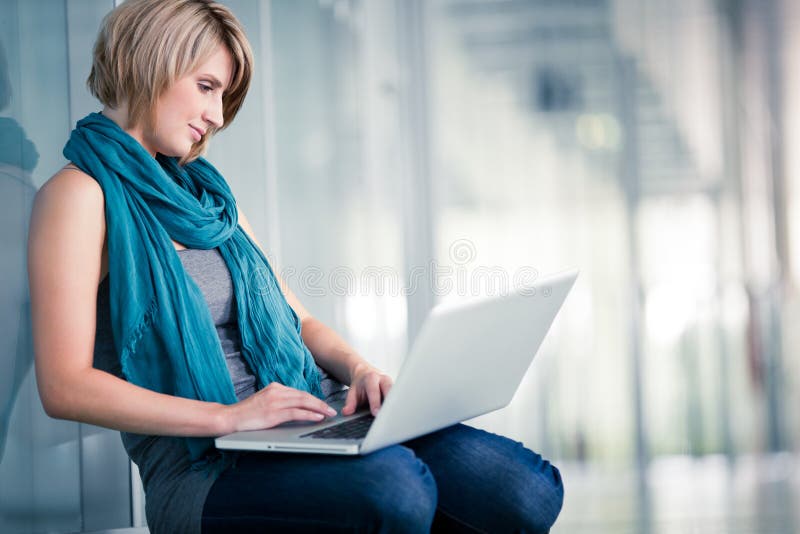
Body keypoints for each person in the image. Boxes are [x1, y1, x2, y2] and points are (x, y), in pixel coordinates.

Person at [27, 1, 564, 532]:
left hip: (311, 415)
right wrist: (231, 417)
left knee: (525, 490)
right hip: (207, 463)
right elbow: (65, 386)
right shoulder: (78, 196)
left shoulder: (209, 200)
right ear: (152, 63)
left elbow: (299, 320)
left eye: (223, 97)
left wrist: (360, 372)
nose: (216, 116)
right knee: (394, 490)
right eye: (207, 87)